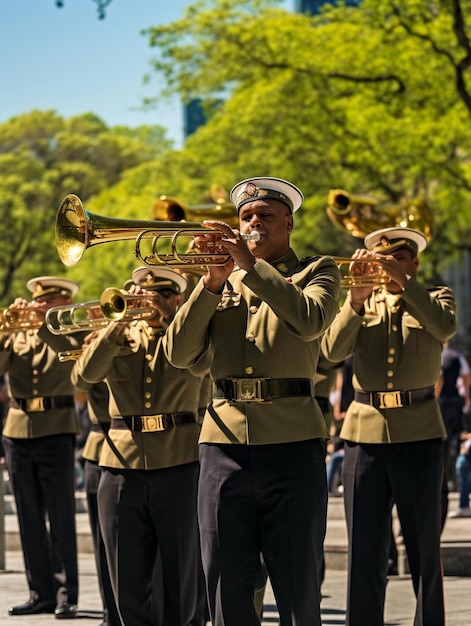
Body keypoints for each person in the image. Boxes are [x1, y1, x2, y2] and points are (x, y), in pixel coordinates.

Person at [164, 176, 341, 625]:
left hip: (292, 445)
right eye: (245, 217)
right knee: (227, 589)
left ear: (288, 223)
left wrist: (249, 268)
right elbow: (179, 354)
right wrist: (208, 283)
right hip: (222, 447)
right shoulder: (220, 282)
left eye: (264, 215)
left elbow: (309, 322)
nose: (253, 223)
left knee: (299, 589)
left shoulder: (317, 271)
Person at [321, 227, 457, 626]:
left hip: (420, 434)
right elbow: (330, 351)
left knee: (423, 549)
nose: (387, 266)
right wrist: (355, 301)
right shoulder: (363, 303)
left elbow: (444, 327)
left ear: (413, 262)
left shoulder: (435, 298)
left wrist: (403, 285)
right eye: (381, 259)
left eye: (397, 259)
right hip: (364, 436)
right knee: (364, 548)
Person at [73, 267, 209, 626]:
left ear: (177, 298)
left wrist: (172, 317)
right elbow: (84, 376)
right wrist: (114, 324)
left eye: (163, 294)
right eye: (143, 294)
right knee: (127, 584)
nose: (151, 301)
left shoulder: (190, 335)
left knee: (180, 581)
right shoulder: (119, 336)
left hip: (178, 462)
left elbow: (203, 368)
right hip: (120, 465)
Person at [0, 276, 83, 618]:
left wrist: (43, 323)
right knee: (28, 515)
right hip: (18, 430)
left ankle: (66, 594)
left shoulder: (73, 331)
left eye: (51, 301)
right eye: (40, 301)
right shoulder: (17, 336)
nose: (43, 306)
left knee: (61, 516)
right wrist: (6, 329)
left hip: (57, 429)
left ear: (64, 303)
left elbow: (71, 358)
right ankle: (41, 592)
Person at [449, 403, 471, 518]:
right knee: (461, 464)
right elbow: (461, 432)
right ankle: (464, 506)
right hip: (467, 451)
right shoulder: (464, 405)